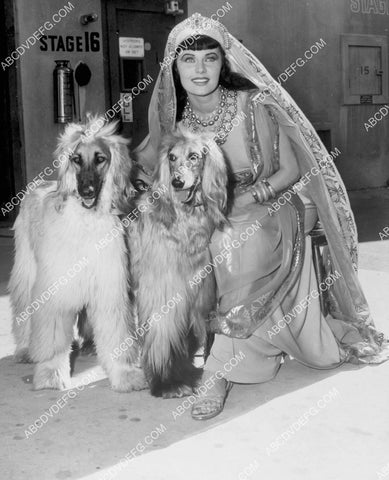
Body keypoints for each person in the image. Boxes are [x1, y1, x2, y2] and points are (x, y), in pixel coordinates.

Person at [133, 13, 388, 420]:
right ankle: (173, 349)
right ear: (173, 69)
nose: (199, 69)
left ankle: (219, 372)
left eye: (209, 58)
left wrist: (247, 198)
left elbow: (291, 171)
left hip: (272, 204)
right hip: (214, 214)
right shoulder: (179, 123)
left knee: (231, 239)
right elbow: (161, 172)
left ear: (224, 62)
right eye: (188, 60)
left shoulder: (254, 104)